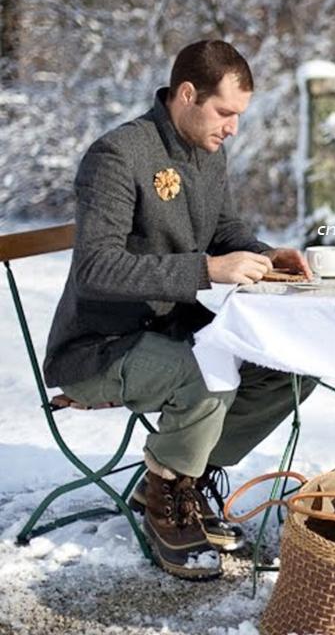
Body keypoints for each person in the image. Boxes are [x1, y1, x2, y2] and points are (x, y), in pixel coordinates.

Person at [44, 40, 316, 581]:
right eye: (225, 112)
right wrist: (205, 270)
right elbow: (96, 267)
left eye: (239, 116)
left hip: (174, 331)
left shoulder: (207, 150)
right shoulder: (117, 155)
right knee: (206, 375)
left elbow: (223, 228)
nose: (232, 128)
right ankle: (169, 502)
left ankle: (176, 478)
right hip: (100, 346)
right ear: (187, 94)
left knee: (292, 367)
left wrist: (265, 254)